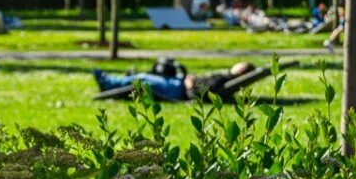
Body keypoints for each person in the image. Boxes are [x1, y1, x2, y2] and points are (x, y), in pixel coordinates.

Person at [94, 60, 255, 102]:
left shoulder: (223, 80)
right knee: (150, 73)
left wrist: (189, 82)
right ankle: (114, 80)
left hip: (178, 90)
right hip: (178, 84)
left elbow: (198, 93)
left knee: (142, 79)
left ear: (241, 71)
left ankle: (108, 83)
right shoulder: (225, 78)